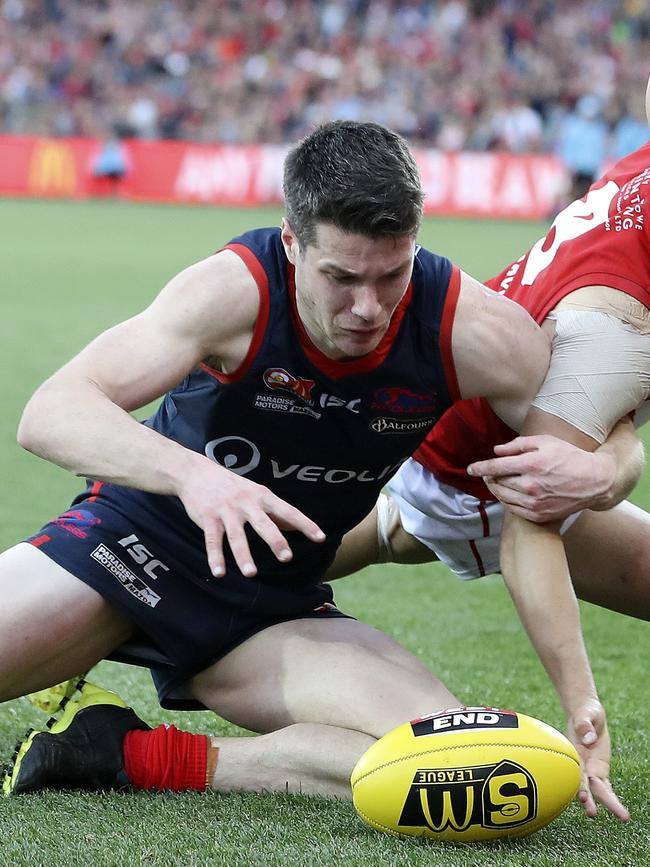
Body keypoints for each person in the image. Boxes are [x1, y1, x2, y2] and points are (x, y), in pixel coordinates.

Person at [1, 119, 561, 803]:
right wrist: (196, 476)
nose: (368, 307)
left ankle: (122, 751)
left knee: (462, 763)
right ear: (293, 242)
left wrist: (611, 470)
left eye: (393, 275)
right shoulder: (235, 291)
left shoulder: (473, 330)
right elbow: (51, 411)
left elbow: (596, 431)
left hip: (268, 609)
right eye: (341, 277)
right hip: (130, 546)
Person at [328, 116, 650, 824]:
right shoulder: (620, 330)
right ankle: (198, 579)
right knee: (426, 519)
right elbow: (529, 515)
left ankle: (212, 567)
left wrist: (621, 463)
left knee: (394, 526)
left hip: (460, 429)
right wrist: (582, 699)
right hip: (481, 480)